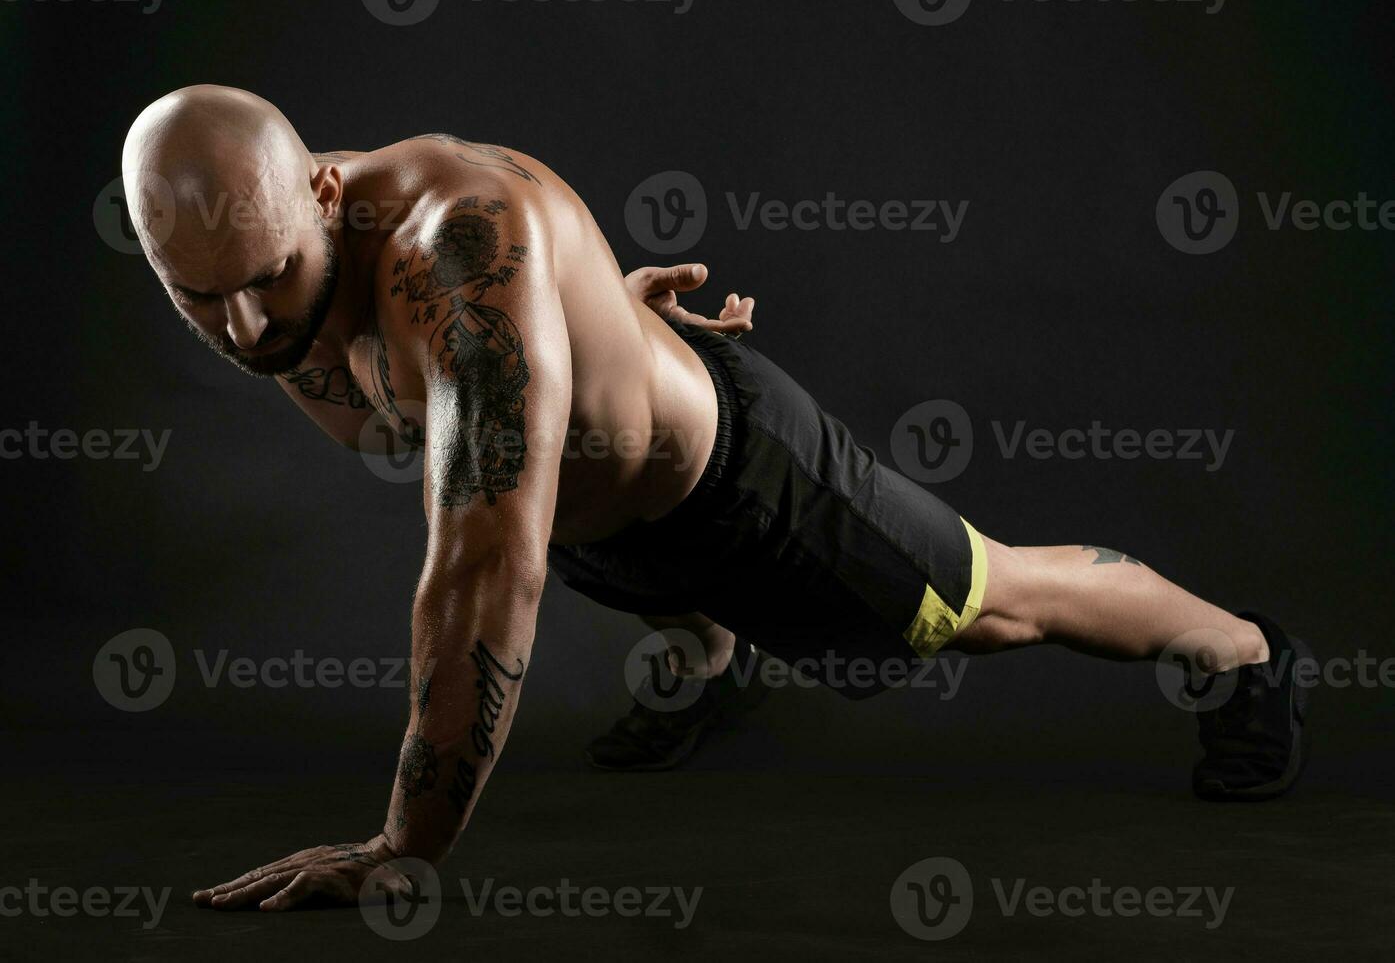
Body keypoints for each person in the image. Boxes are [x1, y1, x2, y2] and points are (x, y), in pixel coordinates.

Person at [119, 85, 1312, 913]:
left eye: (270, 279)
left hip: (745, 489)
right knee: (624, 558)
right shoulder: (250, 263)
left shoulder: (457, 248)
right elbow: (473, 409)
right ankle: (711, 657)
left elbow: (486, 567)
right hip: (603, 519)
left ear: (324, 190)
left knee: (989, 602)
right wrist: (601, 326)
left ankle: (1246, 649)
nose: (249, 325)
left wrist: (403, 847)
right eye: (200, 298)